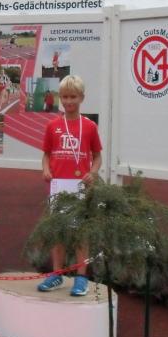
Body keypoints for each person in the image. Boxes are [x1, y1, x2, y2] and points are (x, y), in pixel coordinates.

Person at [37, 75, 102, 297]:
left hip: (81, 186)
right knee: (58, 231)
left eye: (73, 97)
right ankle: (57, 274)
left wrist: (93, 172)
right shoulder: (53, 125)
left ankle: (82, 277)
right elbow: (46, 154)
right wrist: (45, 169)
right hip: (58, 186)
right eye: (65, 97)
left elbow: (97, 156)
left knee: (80, 232)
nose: (68, 101)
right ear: (60, 98)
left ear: (82, 97)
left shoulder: (89, 126)